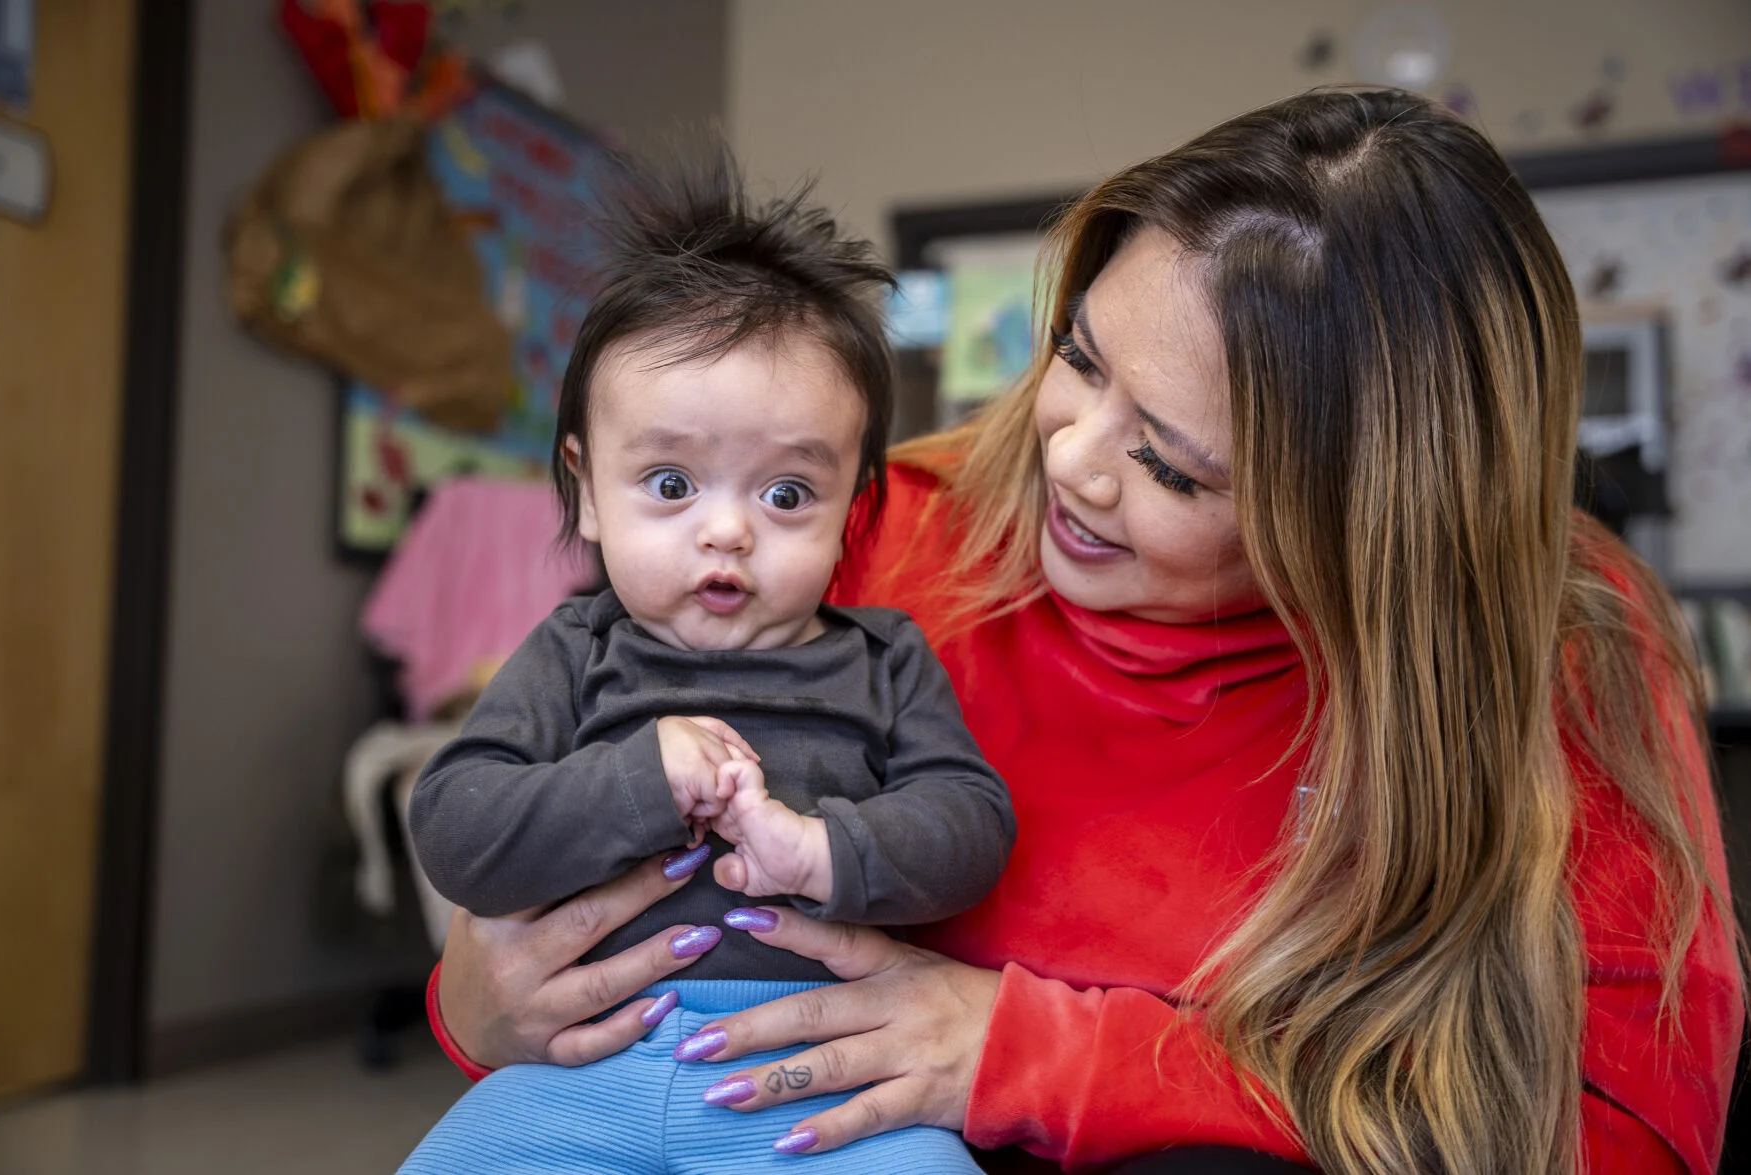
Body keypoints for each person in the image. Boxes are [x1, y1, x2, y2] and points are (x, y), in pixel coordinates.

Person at [422, 89, 1744, 1175]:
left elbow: (1612, 1136)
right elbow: (530, 831)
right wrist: (479, 998)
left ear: (1359, 529)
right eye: (1078, 355)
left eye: (1172, 467)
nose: (1069, 460)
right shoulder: (863, 532)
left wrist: (1050, 1053)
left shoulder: (1560, 647)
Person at [399, 158, 1015, 1174]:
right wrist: (636, 780)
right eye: (672, 481)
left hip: (817, 1077)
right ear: (587, 490)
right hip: (577, 1075)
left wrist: (822, 850)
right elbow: (457, 823)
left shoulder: (883, 659)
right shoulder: (574, 649)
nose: (726, 530)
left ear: (851, 512)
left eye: (784, 495)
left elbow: (970, 822)